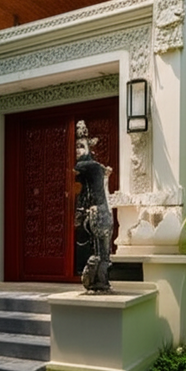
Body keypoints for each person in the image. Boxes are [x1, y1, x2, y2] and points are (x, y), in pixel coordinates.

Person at [74, 120, 113, 292]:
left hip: (100, 210)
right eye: (76, 147)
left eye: (81, 146)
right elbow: (79, 166)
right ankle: (95, 279)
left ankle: (101, 281)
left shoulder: (93, 166)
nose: (78, 150)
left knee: (103, 250)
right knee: (96, 248)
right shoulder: (91, 166)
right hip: (90, 212)